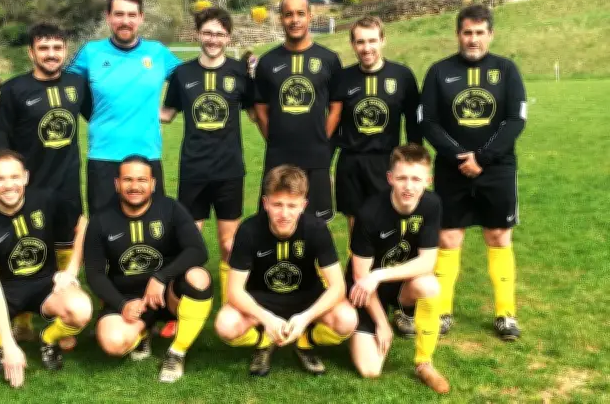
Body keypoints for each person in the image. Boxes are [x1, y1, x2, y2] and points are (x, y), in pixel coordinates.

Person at [0, 150, 92, 388]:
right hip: (3, 291)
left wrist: (71, 270)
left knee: (81, 310)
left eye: (14, 177)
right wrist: (9, 344)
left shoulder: (47, 200)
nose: (8, 185)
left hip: (45, 287)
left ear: (26, 177)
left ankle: (48, 338)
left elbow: (83, 225)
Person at [419, 4, 526, 340]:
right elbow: (428, 121)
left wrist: (483, 157)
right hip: (452, 171)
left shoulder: (507, 70)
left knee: (498, 236)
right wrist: (456, 155)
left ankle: (505, 314)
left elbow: (515, 120)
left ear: (490, 34)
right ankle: (443, 310)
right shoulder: (439, 71)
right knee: (449, 238)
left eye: (480, 33)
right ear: (458, 35)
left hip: (497, 170)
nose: (474, 39)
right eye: (468, 33)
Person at [0, 22, 92, 348]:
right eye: (44, 48)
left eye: (57, 48)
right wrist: (6, 180)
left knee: (65, 245)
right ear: (31, 52)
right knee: (26, 246)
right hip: (27, 186)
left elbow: (99, 116)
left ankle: (62, 310)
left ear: (65, 50)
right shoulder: (13, 90)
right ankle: (21, 318)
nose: (52, 55)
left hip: (66, 183)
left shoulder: (78, 84)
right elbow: (2, 140)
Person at [215, 165, 357, 377]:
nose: (284, 213)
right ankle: (265, 338)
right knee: (226, 325)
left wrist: (306, 318)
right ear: (265, 203)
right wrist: (267, 318)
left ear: (303, 205)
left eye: (292, 205)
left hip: (307, 299)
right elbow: (234, 291)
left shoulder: (316, 229)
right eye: (277, 204)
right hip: (262, 300)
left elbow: (338, 286)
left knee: (347, 320)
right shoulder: (249, 230)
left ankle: (305, 338)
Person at [84, 156, 213, 383]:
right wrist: (121, 304)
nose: (135, 186)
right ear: (117, 184)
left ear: (153, 183)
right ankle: (143, 331)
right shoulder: (101, 220)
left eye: (142, 180)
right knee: (112, 343)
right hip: (128, 297)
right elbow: (94, 273)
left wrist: (161, 277)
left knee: (199, 277)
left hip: (167, 295)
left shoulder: (171, 209)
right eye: (128, 180)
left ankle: (177, 351)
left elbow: (198, 251)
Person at [160, 7, 256, 304]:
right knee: (189, 243)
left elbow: (257, 113)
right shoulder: (182, 73)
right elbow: (166, 114)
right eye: (208, 32)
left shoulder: (240, 73)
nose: (213, 39)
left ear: (228, 38)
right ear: (198, 34)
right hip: (193, 170)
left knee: (229, 244)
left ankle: (232, 302)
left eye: (219, 34)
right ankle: (181, 305)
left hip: (229, 171)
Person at [67, 0, 182, 215]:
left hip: (147, 157)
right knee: (103, 234)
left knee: (151, 236)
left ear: (141, 18)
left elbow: (190, 82)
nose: (125, 21)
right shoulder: (91, 53)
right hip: (103, 158)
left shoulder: (157, 53)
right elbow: (62, 87)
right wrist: (12, 96)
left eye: (131, 15)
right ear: (108, 17)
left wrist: (170, 110)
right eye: (119, 14)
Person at [347, 144, 449, 394]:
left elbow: (427, 262)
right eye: (402, 178)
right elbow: (361, 276)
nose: (409, 186)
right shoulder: (369, 213)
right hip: (367, 290)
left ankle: (424, 362)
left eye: (416, 179)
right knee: (370, 370)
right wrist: (381, 324)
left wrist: (381, 274)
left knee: (429, 285)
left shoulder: (432, 204)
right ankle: (378, 323)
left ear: (428, 180)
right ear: (390, 178)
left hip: (397, 282)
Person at [253, 0, 344, 222]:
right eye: (288, 14)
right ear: (281, 19)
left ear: (310, 17)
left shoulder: (329, 59)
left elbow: (336, 106)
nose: (295, 20)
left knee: (317, 226)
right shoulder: (267, 62)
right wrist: (274, 139)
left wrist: (322, 137)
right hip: (278, 157)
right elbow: (261, 110)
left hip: (316, 158)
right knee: (276, 222)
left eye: (300, 14)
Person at [333, 16, 422, 238]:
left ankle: (388, 272)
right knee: (356, 230)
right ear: (353, 44)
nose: (367, 48)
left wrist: (414, 163)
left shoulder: (402, 76)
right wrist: (323, 165)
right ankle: (357, 273)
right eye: (360, 42)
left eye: (372, 41)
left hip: (386, 161)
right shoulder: (343, 78)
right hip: (351, 163)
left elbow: (413, 123)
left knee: (388, 227)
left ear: (383, 40)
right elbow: (333, 126)